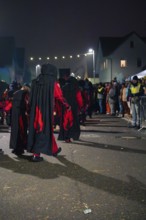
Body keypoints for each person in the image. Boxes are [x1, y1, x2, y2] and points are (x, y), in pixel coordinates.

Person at [27, 63, 70, 162]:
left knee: (39, 128)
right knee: (43, 129)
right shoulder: (52, 82)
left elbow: (30, 97)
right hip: (46, 109)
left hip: (36, 109)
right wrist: (66, 105)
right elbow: (59, 95)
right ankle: (36, 155)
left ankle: (53, 150)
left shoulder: (35, 81)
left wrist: (30, 109)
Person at [58, 74, 83, 142]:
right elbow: (79, 98)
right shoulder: (76, 88)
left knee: (65, 122)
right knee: (74, 121)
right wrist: (80, 107)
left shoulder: (63, 88)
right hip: (74, 107)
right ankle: (75, 136)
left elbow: (61, 98)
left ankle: (65, 136)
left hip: (65, 107)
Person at [9, 83, 30, 155]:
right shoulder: (26, 94)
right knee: (22, 131)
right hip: (22, 115)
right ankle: (21, 148)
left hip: (15, 115)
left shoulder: (15, 93)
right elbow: (27, 105)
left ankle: (15, 147)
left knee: (15, 131)